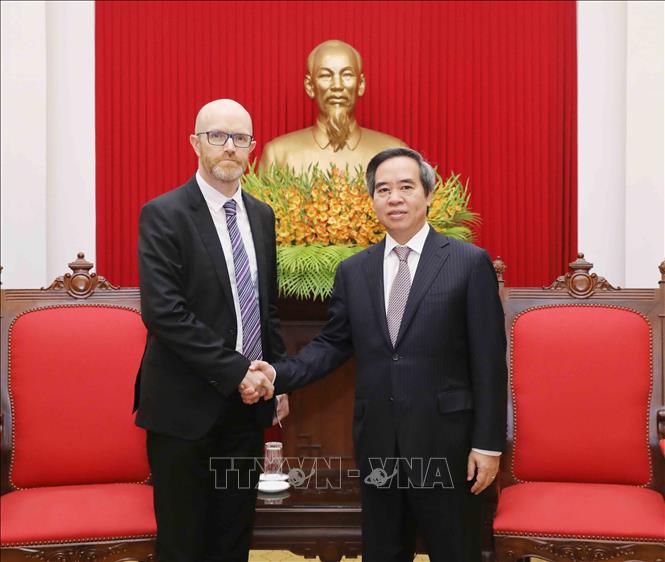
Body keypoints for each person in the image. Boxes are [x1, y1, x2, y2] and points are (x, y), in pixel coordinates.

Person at [247, 147, 507, 562]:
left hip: (448, 445)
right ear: (372, 201)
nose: (394, 198)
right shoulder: (355, 271)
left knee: (456, 550)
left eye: (406, 187)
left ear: (428, 194)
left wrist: (488, 444)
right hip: (379, 443)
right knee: (383, 551)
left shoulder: (467, 263)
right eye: (383, 189)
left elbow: (489, 363)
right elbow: (332, 344)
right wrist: (277, 375)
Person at [134, 98, 288, 562]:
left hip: (246, 410)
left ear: (252, 148)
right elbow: (165, 313)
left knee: (232, 538)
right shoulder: (164, 214)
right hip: (184, 407)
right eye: (217, 136)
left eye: (240, 137)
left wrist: (278, 377)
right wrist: (239, 371)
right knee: (183, 544)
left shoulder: (262, 215)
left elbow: (266, 308)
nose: (229, 147)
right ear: (195, 143)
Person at [259, 39, 407, 173]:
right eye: (326, 76)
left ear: (361, 84)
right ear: (310, 86)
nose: (337, 86)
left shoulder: (394, 154)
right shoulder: (278, 155)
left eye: (347, 75)